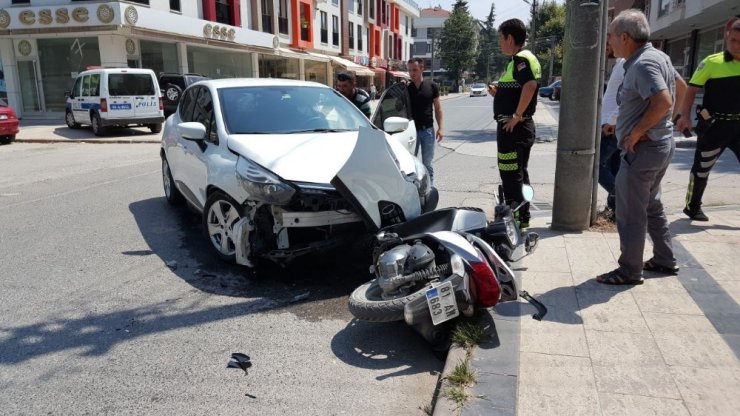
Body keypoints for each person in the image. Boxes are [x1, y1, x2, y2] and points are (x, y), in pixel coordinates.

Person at [596, 9, 687, 285]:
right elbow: (678, 90)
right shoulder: (658, 56)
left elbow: (663, 100)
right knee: (652, 206)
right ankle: (664, 258)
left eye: (611, 36)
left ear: (625, 37)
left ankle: (629, 270)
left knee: (631, 212)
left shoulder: (642, 64)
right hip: (659, 146)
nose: (609, 42)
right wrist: (664, 127)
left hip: (644, 151)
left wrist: (637, 132)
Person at [676, 17, 740, 222]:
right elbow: (691, 90)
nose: (736, 46)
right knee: (701, 169)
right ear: (727, 37)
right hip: (715, 126)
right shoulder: (711, 62)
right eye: (734, 41)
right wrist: (685, 116)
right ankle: (693, 207)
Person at [487, 18, 541, 229]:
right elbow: (520, 89)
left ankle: (514, 220)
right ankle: (523, 218)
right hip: (519, 128)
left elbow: (530, 85)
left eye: (501, 38)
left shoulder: (521, 59)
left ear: (510, 38)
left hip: (514, 130)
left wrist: (517, 116)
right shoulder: (523, 59)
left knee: (511, 175)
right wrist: (499, 95)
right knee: (519, 173)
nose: (500, 42)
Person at [599, 44, 626, 219]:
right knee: (614, 168)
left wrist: (613, 120)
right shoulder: (620, 63)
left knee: (595, 166)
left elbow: (628, 95)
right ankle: (616, 210)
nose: (607, 43)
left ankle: (622, 201)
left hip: (612, 127)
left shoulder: (626, 63)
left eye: (610, 37)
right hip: (613, 126)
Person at [407, 58, 444, 184]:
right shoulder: (407, 89)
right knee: (411, 163)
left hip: (427, 131)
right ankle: (415, 190)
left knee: (427, 164)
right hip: (411, 132)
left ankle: (430, 190)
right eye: (410, 70)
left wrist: (441, 127)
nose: (412, 73)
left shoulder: (432, 86)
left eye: (415, 70)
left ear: (422, 69)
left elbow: (438, 109)